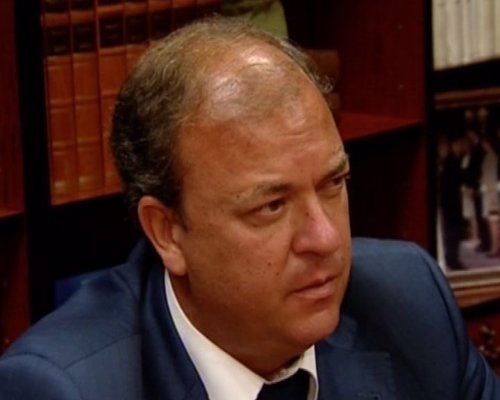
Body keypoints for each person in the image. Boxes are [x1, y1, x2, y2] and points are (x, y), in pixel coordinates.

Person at [0, 17, 499, 399]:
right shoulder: (64, 388)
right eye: (272, 206)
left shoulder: (408, 303)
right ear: (167, 232)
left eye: (333, 183)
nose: (325, 239)